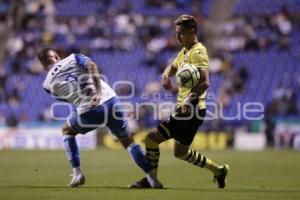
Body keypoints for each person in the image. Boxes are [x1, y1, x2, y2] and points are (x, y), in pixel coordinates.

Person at [37, 48, 162, 188]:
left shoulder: (47, 85)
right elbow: (92, 66)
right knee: (128, 142)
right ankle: (152, 179)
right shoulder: (74, 57)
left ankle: (77, 174)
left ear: (43, 65)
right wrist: (97, 91)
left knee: (67, 130)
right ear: (57, 56)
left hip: (91, 111)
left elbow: (68, 99)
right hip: (112, 101)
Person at [129, 15, 230, 188]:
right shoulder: (185, 51)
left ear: (192, 31)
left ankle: (151, 179)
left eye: (181, 33)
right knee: (180, 152)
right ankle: (218, 171)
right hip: (190, 110)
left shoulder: (199, 52)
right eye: (176, 33)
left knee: (151, 139)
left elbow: (205, 82)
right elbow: (173, 65)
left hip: (190, 109)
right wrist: (165, 75)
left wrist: (187, 101)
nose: (177, 37)